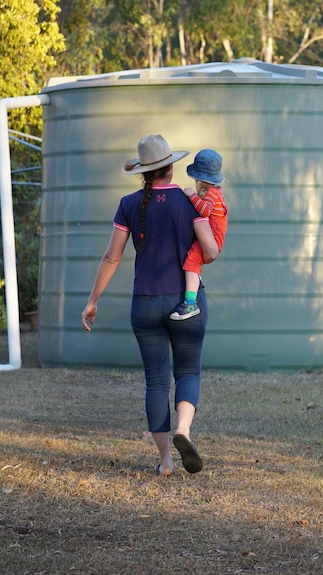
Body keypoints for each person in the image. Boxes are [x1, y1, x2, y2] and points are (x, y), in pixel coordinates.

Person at [81, 134, 219, 476]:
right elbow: (211, 251)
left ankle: (166, 462)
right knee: (187, 371)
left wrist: (93, 301)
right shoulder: (192, 203)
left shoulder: (129, 203)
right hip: (186, 303)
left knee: (156, 381)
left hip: (145, 304)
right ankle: (183, 432)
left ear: (145, 172)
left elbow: (112, 257)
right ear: (171, 169)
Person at [170, 149, 229, 320]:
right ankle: (193, 281)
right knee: (194, 263)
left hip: (212, 235)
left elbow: (204, 211)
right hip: (214, 234)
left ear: (200, 179)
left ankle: (190, 304)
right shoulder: (216, 192)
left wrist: (191, 195)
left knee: (192, 261)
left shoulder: (210, 194)